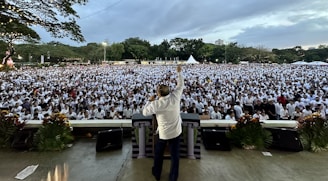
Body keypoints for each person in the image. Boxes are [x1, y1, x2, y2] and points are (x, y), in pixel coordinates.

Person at [142, 65, 184, 181]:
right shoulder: (175, 97)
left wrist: (149, 101)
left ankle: (157, 174)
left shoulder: (156, 104)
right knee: (175, 156)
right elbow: (180, 85)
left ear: (158, 94)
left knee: (158, 155)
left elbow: (145, 112)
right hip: (176, 132)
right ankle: (173, 177)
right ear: (169, 91)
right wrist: (179, 73)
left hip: (163, 134)